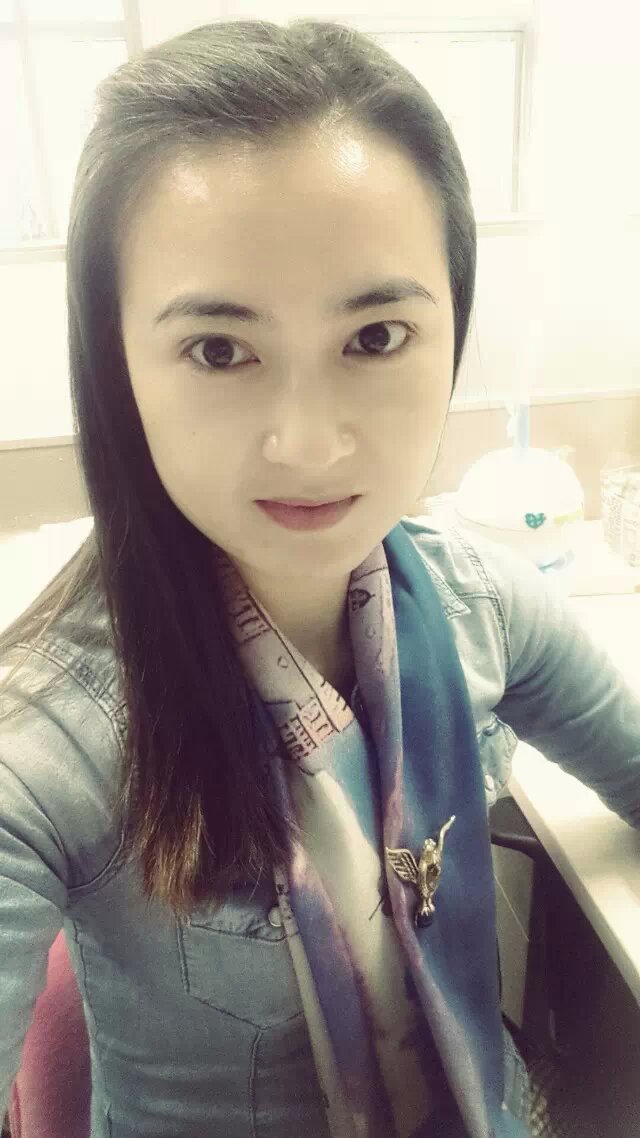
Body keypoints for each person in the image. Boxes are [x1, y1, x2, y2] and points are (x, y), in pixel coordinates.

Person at [1, 17, 639, 1138]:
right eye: (218, 349)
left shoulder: (479, 605)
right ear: (118, 366)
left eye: (376, 337)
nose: (307, 443)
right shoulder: (46, 742)